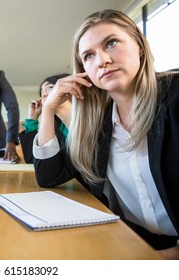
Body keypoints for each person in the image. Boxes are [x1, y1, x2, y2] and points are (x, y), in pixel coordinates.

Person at [33, 9, 179, 259]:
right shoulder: (97, 124)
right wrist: (48, 110)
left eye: (111, 43)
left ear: (139, 46)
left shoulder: (175, 95)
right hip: (137, 246)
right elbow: (49, 175)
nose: (101, 61)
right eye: (88, 56)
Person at [19, 73, 70, 163]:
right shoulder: (53, 127)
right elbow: (32, 158)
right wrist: (32, 118)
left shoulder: (86, 120)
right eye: (41, 92)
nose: (44, 95)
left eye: (50, 88)